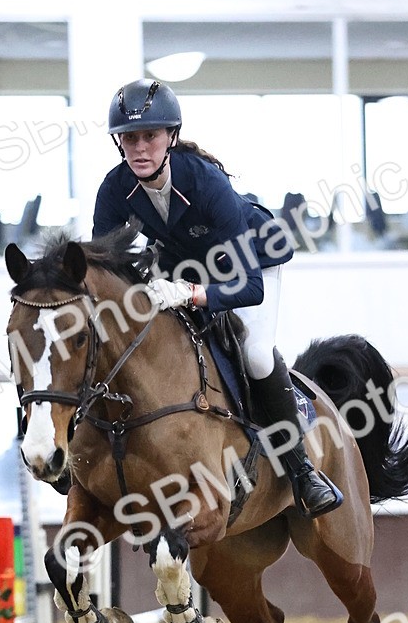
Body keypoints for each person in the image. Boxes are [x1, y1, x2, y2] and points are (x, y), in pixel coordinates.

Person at [92, 77, 342, 518]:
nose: (139, 148)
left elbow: (249, 288)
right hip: (184, 265)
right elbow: (106, 267)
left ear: (170, 137)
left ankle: (302, 470)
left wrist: (188, 292)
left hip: (252, 261)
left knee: (257, 354)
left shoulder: (206, 184)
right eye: (129, 138)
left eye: (150, 135)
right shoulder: (114, 191)